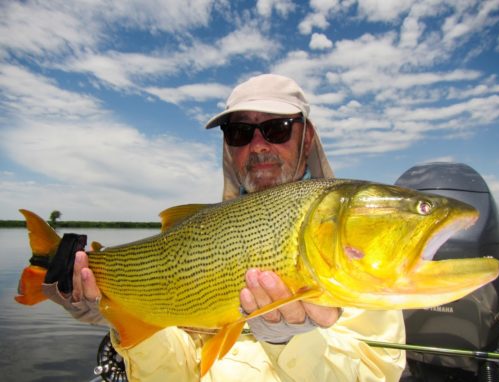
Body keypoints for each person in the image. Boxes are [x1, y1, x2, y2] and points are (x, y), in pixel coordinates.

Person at [42, 74, 406, 381]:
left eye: (276, 129)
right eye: (239, 132)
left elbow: (375, 374)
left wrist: (292, 342)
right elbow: (176, 372)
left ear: (306, 138)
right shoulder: (201, 243)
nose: (258, 145)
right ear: (228, 148)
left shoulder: (353, 244)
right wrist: (118, 315)